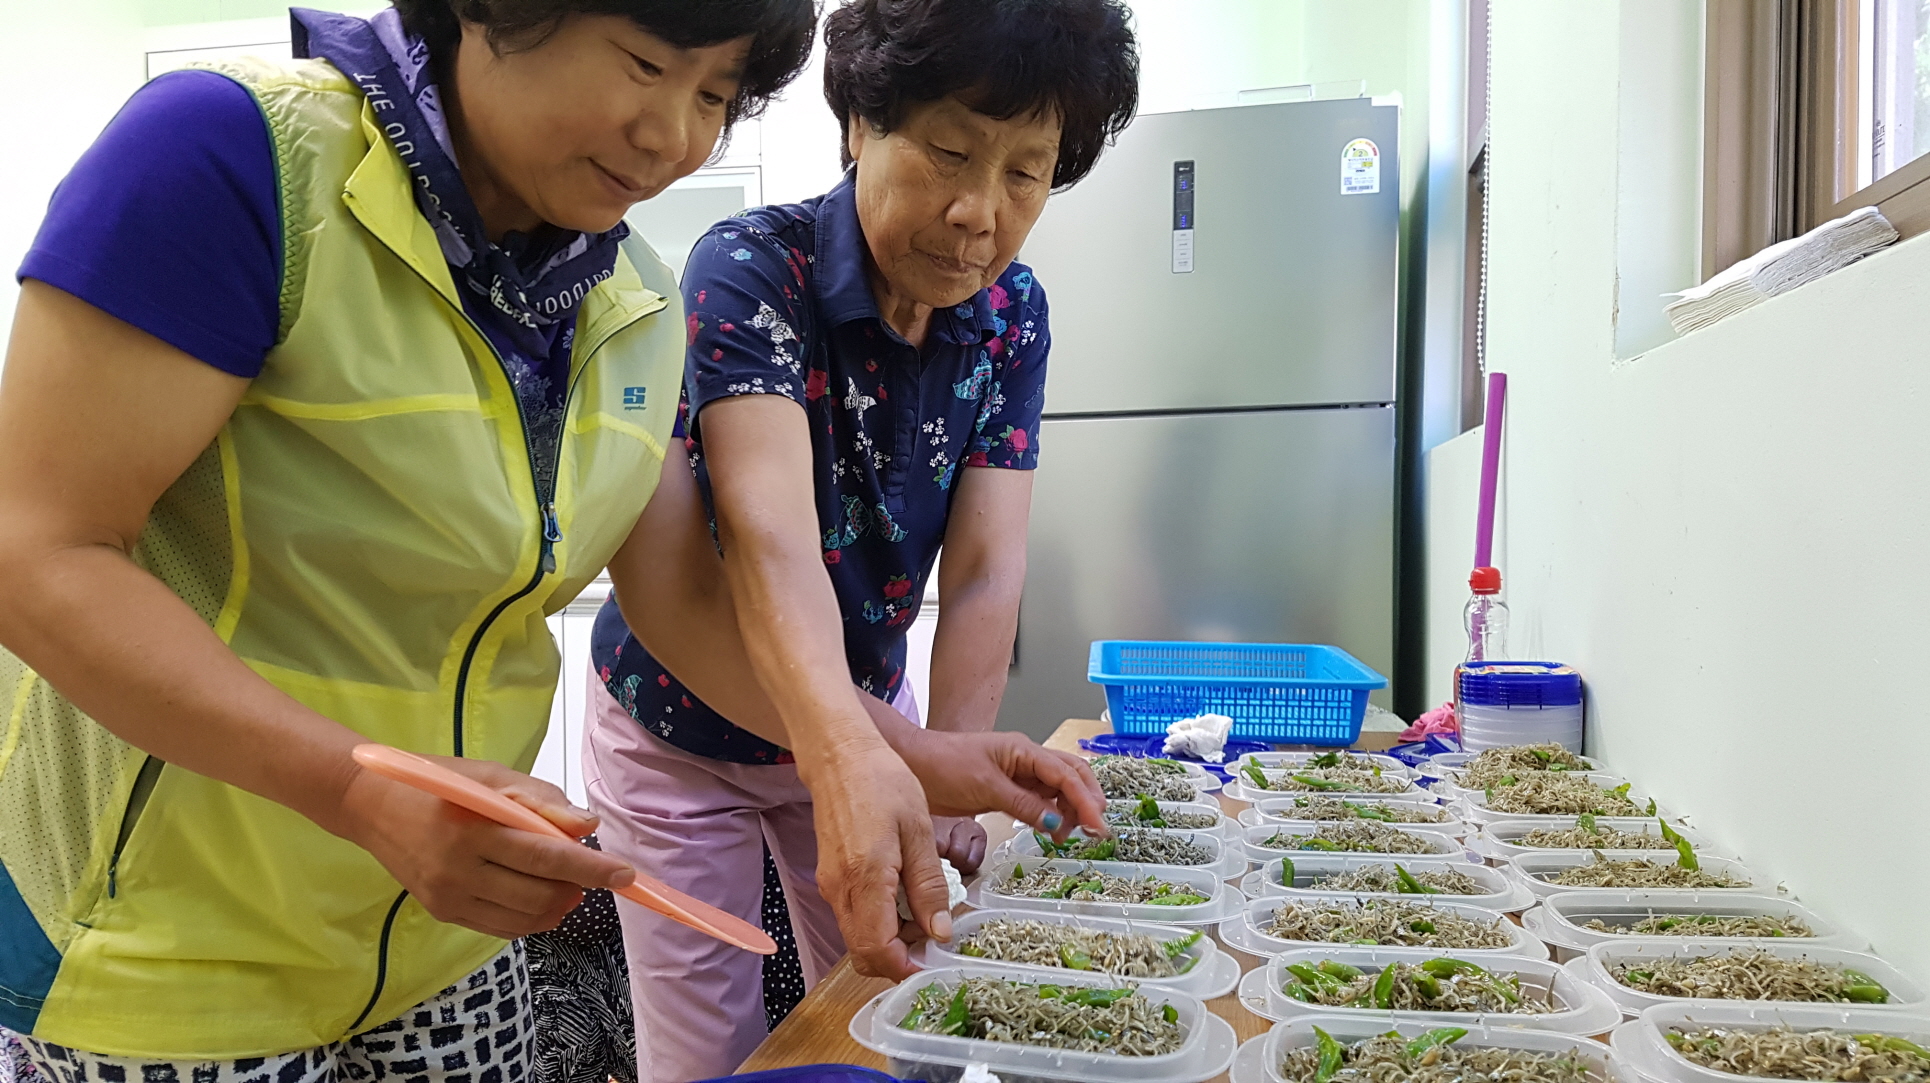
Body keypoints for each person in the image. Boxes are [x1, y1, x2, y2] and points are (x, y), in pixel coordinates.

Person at [0, 0, 1102, 1070]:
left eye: (714, 95)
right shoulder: (233, 156)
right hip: (162, 950)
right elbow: (33, 551)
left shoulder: (625, 298)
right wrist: (353, 789)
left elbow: (684, 603)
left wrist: (908, 750)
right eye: (642, 64)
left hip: (441, 934)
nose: (673, 137)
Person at [586, 0, 1141, 1078]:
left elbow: (985, 572)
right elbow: (770, 544)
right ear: (858, 124)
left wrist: (952, 768)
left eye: (1025, 175)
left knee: (894, 1006)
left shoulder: (1011, 314)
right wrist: (871, 750)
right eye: (949, 154)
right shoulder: (753, 268)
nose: (978, 213)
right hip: (686, 719)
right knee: (711, 1051)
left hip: (866, 719)